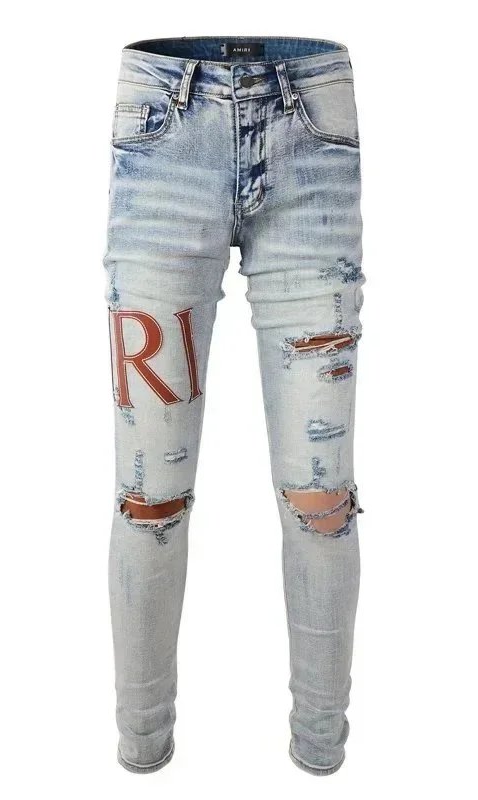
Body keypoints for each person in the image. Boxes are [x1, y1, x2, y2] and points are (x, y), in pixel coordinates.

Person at [103, 36, 366, 776]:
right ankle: (142, 746)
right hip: (163, 133)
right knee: (149, 499)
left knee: (322, 499)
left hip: (312, 130)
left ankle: (321, 746)